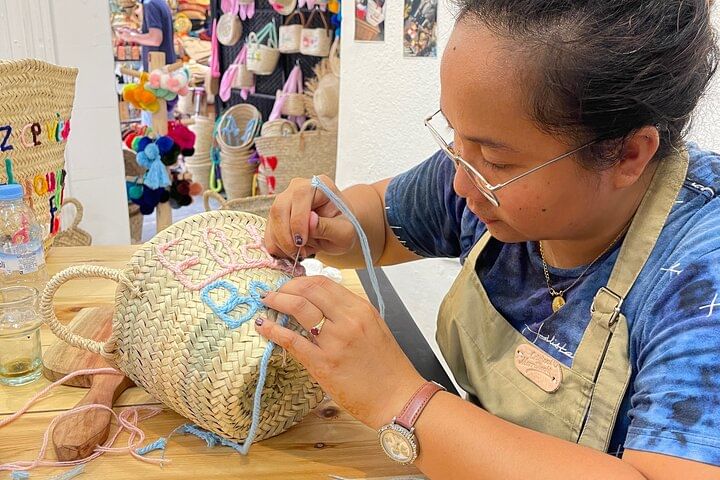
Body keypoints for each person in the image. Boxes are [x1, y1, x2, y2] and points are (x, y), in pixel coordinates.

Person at [258, 0, 720, 478]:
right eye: (455, 141)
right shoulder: (480, 176)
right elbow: (378, 224)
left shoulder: (702, 278)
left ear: (628, 154)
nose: (460, 184)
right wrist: (329, 221)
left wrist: (401, 400)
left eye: (496, 164)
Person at [118, 0, 177, 125]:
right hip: (162, 74)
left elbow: (155, 39)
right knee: (163, 127)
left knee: (153, 130)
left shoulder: (150, 4)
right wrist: (135, 34)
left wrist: (131, 37)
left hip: (157, 75)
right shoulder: (159, 2)